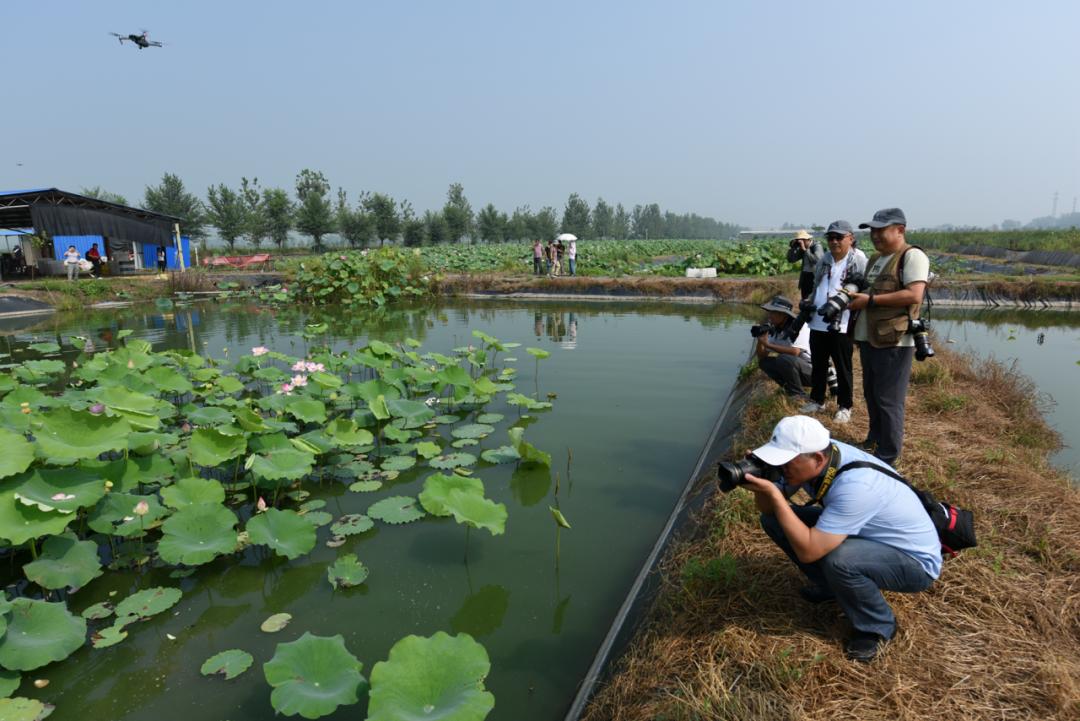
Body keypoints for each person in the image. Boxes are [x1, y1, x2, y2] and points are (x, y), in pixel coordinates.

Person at [742, 415, 941, 662]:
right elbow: (769, 510)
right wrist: (763, 478)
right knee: (775, 521)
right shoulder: (818, 456)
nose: (782, 469)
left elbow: (809, 551)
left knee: (840, 560)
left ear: (817, 459)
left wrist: (774, 492)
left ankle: (876, 627)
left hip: (913, 562)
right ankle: (831, 587)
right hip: (867, 536)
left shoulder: (856, 486)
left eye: (786, 463)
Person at [847, 208, 929, 465]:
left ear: (900, 230)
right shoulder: (876, 259)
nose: (875, 235)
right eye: (872, 231)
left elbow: (914, 295)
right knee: (871, 393)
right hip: (870, 338)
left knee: (888, 399)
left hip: (894, 340)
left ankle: (888, 454)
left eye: (881, 230)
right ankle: (874, 439)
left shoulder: (912, 256)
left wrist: (869, 300)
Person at [800, 220, 867, 424]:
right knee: (819, 364)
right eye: (831, 237)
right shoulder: (825, 259)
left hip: (843, 322)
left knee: (843, 366)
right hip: (818, 321)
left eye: (839, 237)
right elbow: (817, 284)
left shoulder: (858, 259)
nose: (834, 241)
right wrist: (809, 301)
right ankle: (817, 400)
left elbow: (865, 286)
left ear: (850, 238)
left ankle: (845, 406)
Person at [755, 295, 812, 398]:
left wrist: (768, 344)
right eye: (770, 312)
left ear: (784, 315)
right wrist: (760, 340)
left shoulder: (799, 327)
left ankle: (798, 395)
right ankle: (789, 389)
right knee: (764, 363)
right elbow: (761, 356)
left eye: (773, 312)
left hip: (813, 372)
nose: (770, 315)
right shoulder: (776, 330)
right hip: (797, 369)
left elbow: (796, 352)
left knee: (783, 359)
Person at [786, 229, 823, 300]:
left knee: (814, 299)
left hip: (815, 276)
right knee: (805, 299)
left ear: (807, 240)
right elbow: (791, 260)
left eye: (801, 240)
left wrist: (805, 249)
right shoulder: (802, 248)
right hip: (805, 276)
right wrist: (792, 248)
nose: (800, 242)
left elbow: (817, 260)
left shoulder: (816, 246)